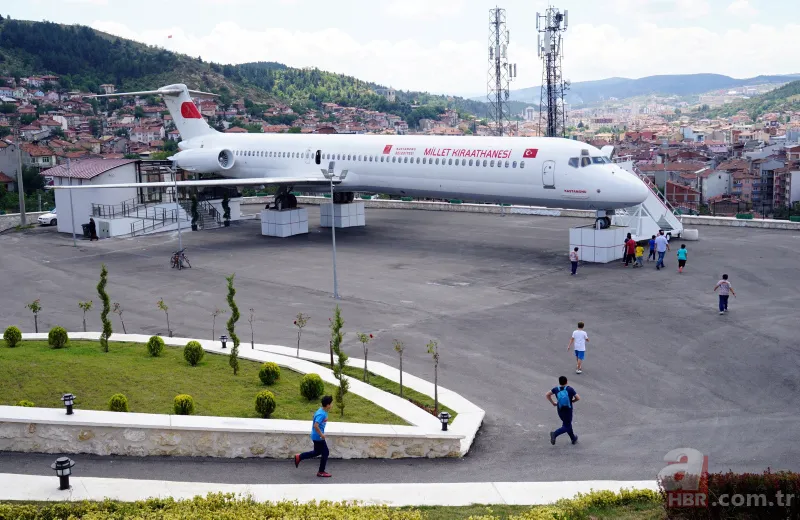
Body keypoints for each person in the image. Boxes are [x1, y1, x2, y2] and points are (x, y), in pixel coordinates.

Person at [294, 395, 333, 477]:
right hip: (318, 436)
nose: (332, 405)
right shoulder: (322, 414)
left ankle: (299, 457)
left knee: (317, 452)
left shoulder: (321, 410)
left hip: (315, 435)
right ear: (327, 405)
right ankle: (321, 472)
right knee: (325, 452)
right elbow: (316, 425)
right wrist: (321, 434)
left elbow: (314, 416)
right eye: (331, 403)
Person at [546, 375, 580, 445]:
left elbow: (547, 394)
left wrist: (553, 403)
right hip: (568, 410)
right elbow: (578, 398)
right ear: (566, 381)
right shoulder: (570, 389)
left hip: (560, 409)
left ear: (559, 382)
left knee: (567, 424)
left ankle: (573, 438)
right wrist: (573, 401)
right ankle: (554, 434)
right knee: (567, 426)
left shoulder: (556, 389)